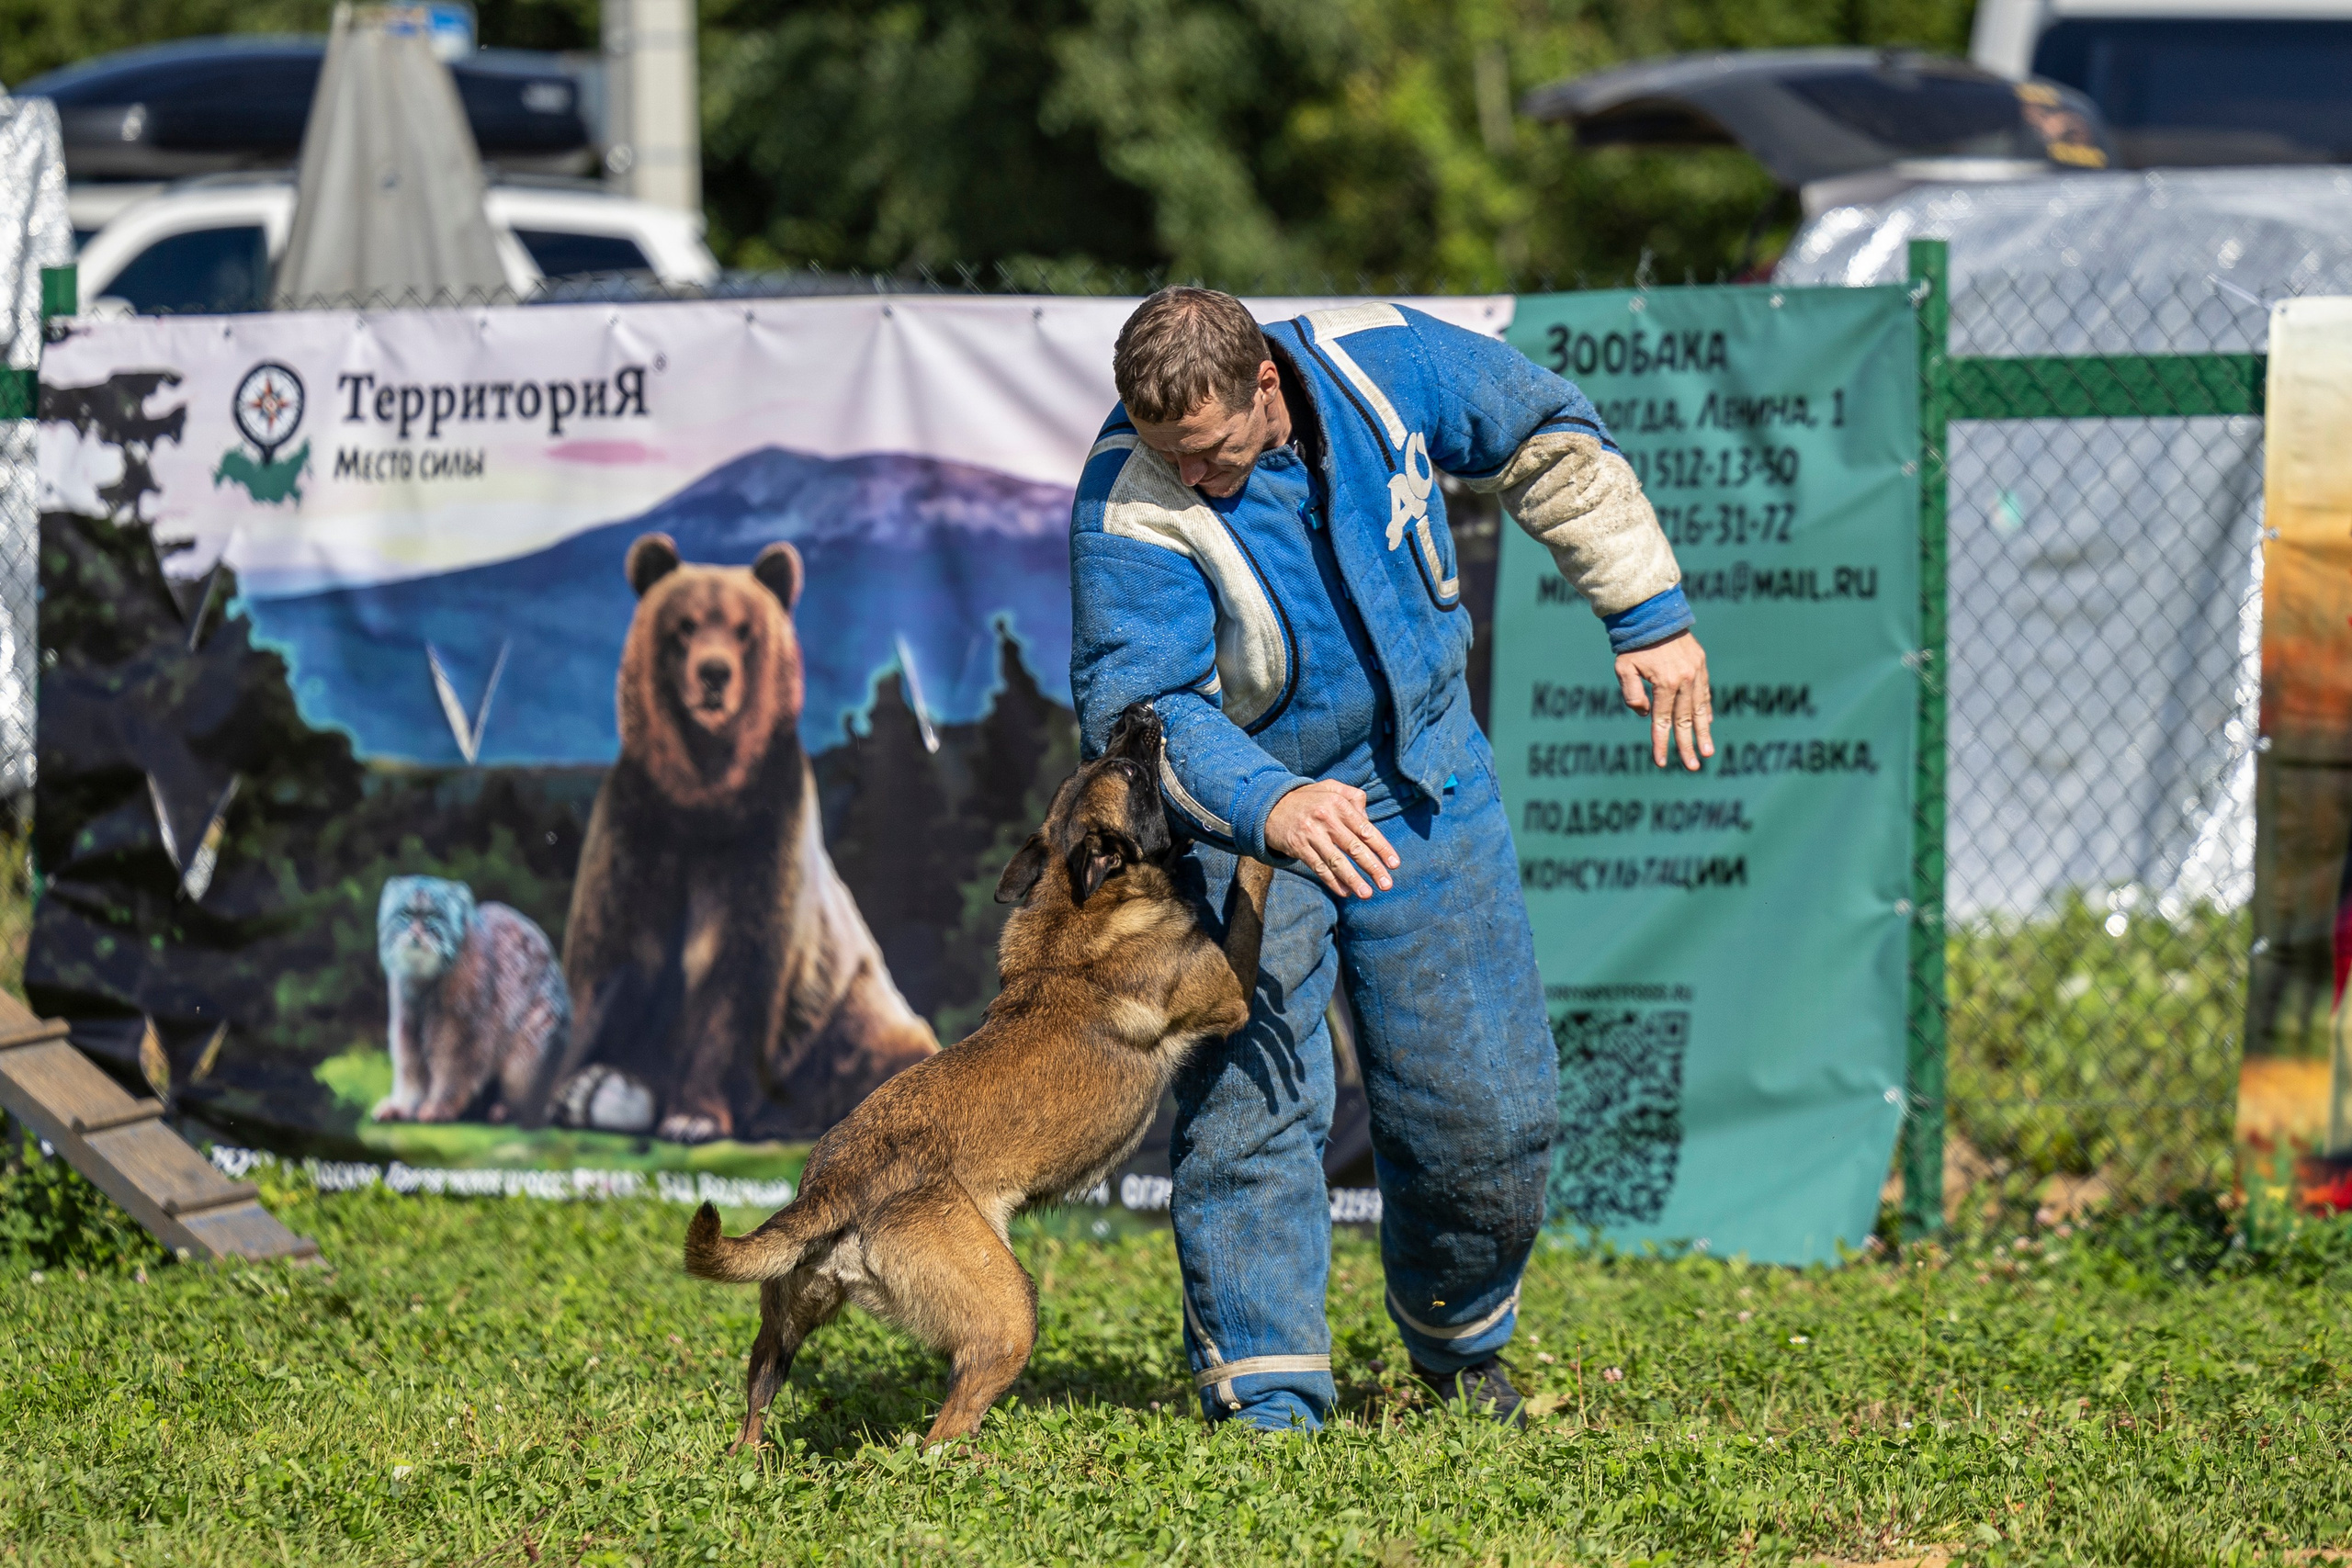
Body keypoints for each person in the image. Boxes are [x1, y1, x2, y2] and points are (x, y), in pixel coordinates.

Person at [1068, 288, 1713, 1431]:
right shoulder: (1129, 495)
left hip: (1427, 781)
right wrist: (1269, 804)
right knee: (1252, 1106)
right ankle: (1264, 1403)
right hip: (1251, 824)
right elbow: (1141, 708)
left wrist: (1647, 614)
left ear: (1264, 383)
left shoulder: (1388, 360)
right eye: (1172, 456)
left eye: (1211, 454)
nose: (1195, 479)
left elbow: (1547, 435)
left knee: (1489, 1109)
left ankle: (1458, 1344)